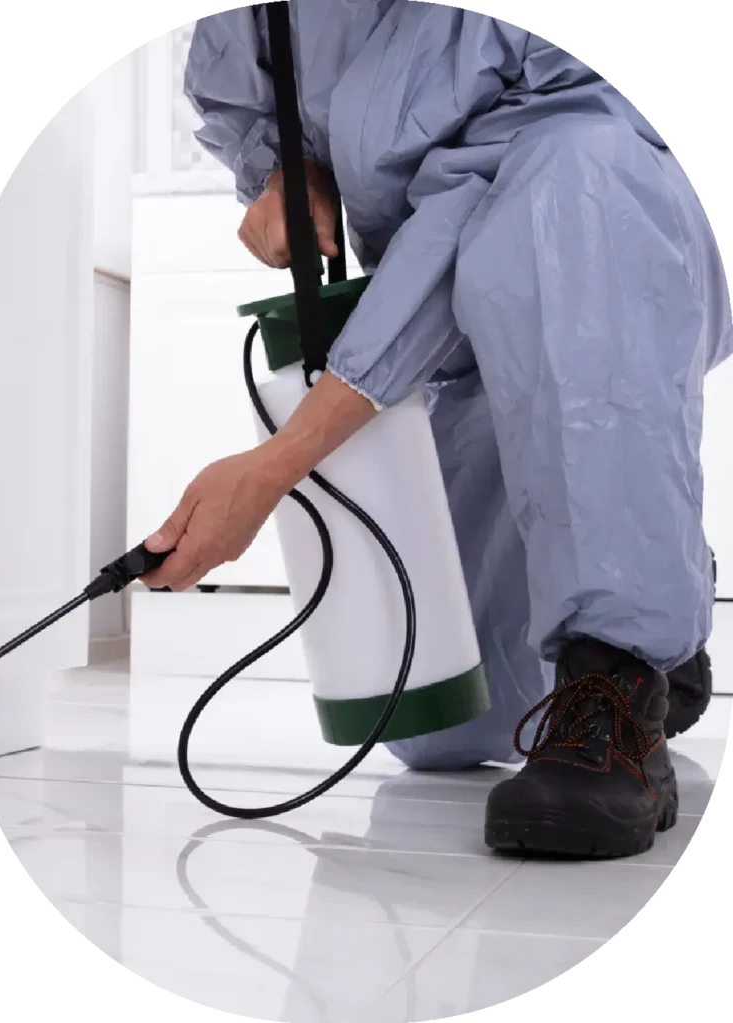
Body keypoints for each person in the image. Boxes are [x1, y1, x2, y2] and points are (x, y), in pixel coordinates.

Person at [142, 4, 731, 859]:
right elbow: (249, 95)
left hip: (606, 236)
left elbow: (473, 209)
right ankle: (654, 560)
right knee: (443, 725)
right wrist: (289, 171)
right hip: (462, 315)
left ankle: (620, 665)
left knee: (570, 191)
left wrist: (281, 460)